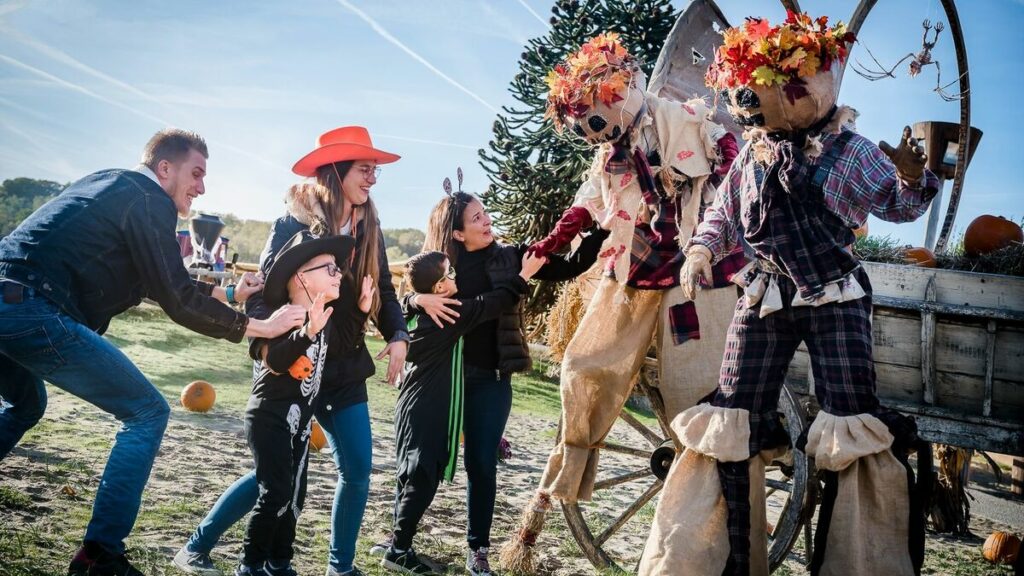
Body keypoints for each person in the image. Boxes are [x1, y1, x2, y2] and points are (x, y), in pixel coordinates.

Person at [642, 12, 937, 576]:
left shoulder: (849, 151)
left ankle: (856, 561)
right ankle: (722, 560)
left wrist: (911, 178)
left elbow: (898, 208)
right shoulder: (751, 155)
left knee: (852, 415)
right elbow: (721, 216)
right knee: (733, 412)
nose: (749, 99)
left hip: (835, 295)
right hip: (766, 294)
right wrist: (701, 251)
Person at [0, 128, 306, 576]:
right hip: (31, 306)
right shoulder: (149, 200)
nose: (201, 187)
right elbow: (177, 298)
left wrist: (232, 294)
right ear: (165, 168)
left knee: (27, 403)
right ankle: (100, 556)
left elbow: (162, 281)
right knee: (147, 412)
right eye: (196, 173)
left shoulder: (114, 185)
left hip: (10, 300)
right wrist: (259, 325)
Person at [499, 32, 740, 573]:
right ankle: (568, 465)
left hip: (697, 272)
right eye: (582, 123)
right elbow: (588, 204)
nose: (593, 129)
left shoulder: (685, 121)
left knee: (697, 390)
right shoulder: (609, 157)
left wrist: (728, 205)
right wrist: (552, 241)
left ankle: (708, 499)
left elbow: (727, 165)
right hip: (636, 268)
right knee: (585, 365)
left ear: (624, 88)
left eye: (595, 113)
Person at [175, 126, 406, 576]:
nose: (373, 178)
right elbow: (261, 294)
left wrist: (397, 333)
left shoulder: (369, 228)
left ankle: (340, 567)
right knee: (279, 477)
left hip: (344, 368)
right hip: (295, 364)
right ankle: (197, 546)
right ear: (338, 171)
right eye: (366, 169)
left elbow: (386, 290)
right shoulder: (291, 224)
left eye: (375, 170)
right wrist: (271, 344)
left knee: (358, 468)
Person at [392, 174, 610, 576]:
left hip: (492, 379)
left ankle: (478, 550)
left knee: (482, 465)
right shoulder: (442, 268)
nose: (487, 221)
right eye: (477, 218)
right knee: (425, 458)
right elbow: (401, 297)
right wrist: (415, 298)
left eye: (485, 213)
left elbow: (571, 266)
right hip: (448, 379)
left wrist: (598, 228)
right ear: (457, 233)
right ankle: (399, 540)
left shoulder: (512, 257)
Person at [381, 249, 545, 576]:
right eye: (450, 273)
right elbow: (493, 303)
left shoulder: (425, 311)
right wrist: (524, 276)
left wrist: (413, 299)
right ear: (439, 288)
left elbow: (401, 306)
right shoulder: (450, 313)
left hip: (413, 400)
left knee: (413, 472)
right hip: (428, 403)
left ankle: (400, 543)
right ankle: (398, 549)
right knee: (423, 476)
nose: (456, 277)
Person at [236, 230, 373, 576]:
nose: (339, 273)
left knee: (295, 496)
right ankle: (249, 565)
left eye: (337, 268)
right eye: (329, 268)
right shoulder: (286, 316)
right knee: (275, 493)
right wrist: (306, 332)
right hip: (270, 418)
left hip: (299, 424)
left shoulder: (321, 319)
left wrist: (360, 312)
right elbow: (277, 360)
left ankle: (279, 562)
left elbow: (341, 344)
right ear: (301, 277)